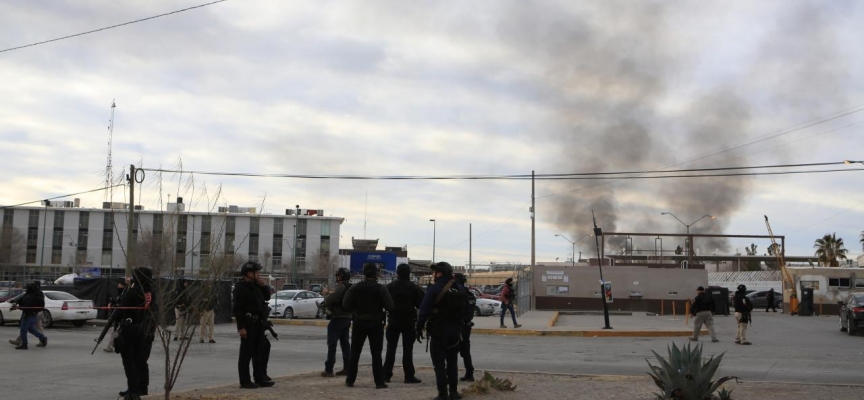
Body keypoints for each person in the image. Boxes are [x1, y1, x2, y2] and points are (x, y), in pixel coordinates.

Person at [417, 262, 468, 400]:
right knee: (452, 363)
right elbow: (466, 310)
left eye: (435, 272)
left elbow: (424, 310)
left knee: (439, 365)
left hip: (438, 331)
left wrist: (419, 327)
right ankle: (454, 392)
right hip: (455, 332)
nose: (434, 275)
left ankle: (443, 394)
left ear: (441, 273)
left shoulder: (434, 289)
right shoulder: (459, 287)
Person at [342, 263, 394, 389]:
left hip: (359, 322)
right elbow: (390, 306)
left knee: (355, 352)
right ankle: (379, 382)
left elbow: (346, 305)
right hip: (376, 324)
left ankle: (350, 380)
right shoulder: (381, 288)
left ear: (364, 273)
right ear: (376, 274)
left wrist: (356, 309)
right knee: (376, 354)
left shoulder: (355, 287)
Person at [115, 267, 156, 399]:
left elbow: (120, 312)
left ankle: (134, 390)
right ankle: (141, 388)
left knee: (130, 361)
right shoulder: (151, 292)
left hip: (132, 331)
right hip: (147, 330)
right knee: (141, 361)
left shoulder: (132, 292)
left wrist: (115, 314)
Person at [233, 261, 275, 389]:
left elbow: (267, 297)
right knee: (246, 354)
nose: (258, 274)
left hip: (259, 324)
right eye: (255, 272)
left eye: (258, 272)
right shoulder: (240, 287)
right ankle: (245, 381)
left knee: (259, 351)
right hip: (248, 324)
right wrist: (241, 327)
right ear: (248, 273)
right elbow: (238, 309)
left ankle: (259, 377)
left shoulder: (256, 286)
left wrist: (264, 286)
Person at [383, 263, 424, 384]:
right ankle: (409, 376)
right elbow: (420, 304)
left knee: (391, 348)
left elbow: (384, 303)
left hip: (393, 320)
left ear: (397, 273)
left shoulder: (390, 286)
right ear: (409, 274)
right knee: (408, 350)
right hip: (408, 321)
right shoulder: (414, 287)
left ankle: (386, 375)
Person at [321, 267, 353, 378]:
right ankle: (347, 368)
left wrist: (326, 294)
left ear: (340, 277)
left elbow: (329, 300)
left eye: (338, 276)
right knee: (345, 344)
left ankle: (329, 369)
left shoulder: (340, 287)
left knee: (332, 344)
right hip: (347, 318)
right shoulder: (350, 287)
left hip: (338, 318)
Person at [454, 273, 476, 382]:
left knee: (452, 351)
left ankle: (452, 374)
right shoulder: (470, 294)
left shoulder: (457, 294)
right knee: (465, 351)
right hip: (466, 326)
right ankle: (469, 373)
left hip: (457, 326)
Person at [11, 282, 47, 350]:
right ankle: (42, 338)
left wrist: (17, 307)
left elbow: (26, 307)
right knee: (31, 329)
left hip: (28, 315)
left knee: (23, 330)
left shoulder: (30, 297)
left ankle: (24, 345)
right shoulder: (38, 294)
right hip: (34, 314)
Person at [105, 280, 129, 352]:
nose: (118, 287)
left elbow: (123, 304)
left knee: (118, 331)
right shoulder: (118, 294)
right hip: (117, 315)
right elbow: (115, 301)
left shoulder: (125, 294)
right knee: (116, 331)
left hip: (123, 316)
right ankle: (111, 345)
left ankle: (111, 345)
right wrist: (111, 303)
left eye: (120, 286)